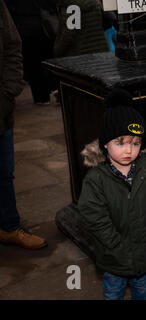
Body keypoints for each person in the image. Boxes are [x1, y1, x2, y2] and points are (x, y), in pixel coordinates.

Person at [77, 89, 146, 300]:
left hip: (144, 255)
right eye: (120, 143)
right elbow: (93, 216)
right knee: (114, 293)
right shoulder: (96, 178)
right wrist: (116, 246)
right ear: (105, 143)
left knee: (142, 292)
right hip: (114, 258)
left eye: (135, 143)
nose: (128, 150)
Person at [0, 0, 47, 249]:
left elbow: (12, 46)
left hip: (1, 109)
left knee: (5, 173)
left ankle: (9, 226)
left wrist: (8, 92)